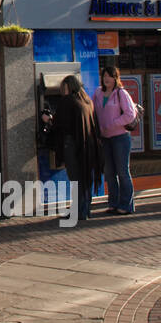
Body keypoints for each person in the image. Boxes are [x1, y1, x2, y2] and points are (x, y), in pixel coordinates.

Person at [50, 75, 103, 222]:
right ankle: (85, 209)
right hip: (88, 146)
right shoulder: (87, 101)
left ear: (68, 87)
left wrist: (48, 120)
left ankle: (78, 211)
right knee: (85, 177)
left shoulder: (68, 101)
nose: (62, 91)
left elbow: (59, 124)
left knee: (76, 179)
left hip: (72, 144)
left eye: (63, 88)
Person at [92, 64, 137, 215]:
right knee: (110, 172)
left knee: (122, 171)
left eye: (109, 76)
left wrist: (112, 124)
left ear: (115, 78)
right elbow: (92, 111)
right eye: (104, 76)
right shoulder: (98, 93)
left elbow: (130, 114)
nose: (106, 79)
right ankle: (113, 203)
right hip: (104, 139)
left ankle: (126, 205)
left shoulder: (121, 93)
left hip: (120, 137)